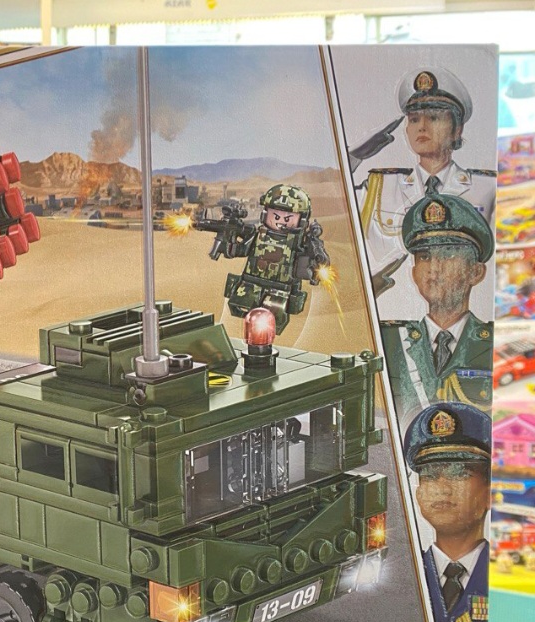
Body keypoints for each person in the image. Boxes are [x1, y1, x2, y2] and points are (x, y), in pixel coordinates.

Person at [356, 68, 496, 318]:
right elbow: (330, 208)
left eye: (434, 118)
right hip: (387, 314)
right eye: (413, 120)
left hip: (465, 315)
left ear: (457, 130)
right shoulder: (379, 187)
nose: (421, 127)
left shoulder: (488, 189)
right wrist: (352, 157)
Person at [380, 190, 494, 426]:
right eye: (424, 257)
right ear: (414, 273)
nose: (434, 267)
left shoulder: (498, 345)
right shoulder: (388, 340)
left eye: (448, 254)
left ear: (476, 272)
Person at [404, 403, 491, 622]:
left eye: (458, 473)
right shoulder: (406, 579)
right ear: (418, 494)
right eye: (429, 475)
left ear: (491, 492)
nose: (441, 488)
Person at [193, 184, 328, 336]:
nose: (280, 221)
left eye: (287, 218)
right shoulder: (258, 234)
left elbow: (318, 262)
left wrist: (317, 257)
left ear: (301, 220)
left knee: (270, 324)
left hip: (280, 292)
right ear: (265, 213)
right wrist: (228, 246)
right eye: (275, 216)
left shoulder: (300, 242)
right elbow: (241, 250)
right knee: (244, 315)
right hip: (250, 285)